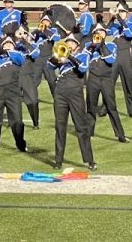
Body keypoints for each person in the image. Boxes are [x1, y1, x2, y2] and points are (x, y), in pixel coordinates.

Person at [47, 34, 96, 171]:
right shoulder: (61, 56)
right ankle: (58, 160)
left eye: (72, 43)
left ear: (77, 46)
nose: (69, 45)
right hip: (60, 93)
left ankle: (89, 160)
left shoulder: (83, 55)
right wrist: (58, 58)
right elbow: (49, 66)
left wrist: (69, 57)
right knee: (60, 127)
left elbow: (82, 69)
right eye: (67, 42)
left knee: (81, 127)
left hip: (76, 94)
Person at [0, 31, 28, 153]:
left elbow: (20, 60)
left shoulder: (17, 55)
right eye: (5, 44)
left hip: (13, 91)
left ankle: (20, 144)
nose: (7, 45)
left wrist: (9, 49)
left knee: (17, 121)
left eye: (10, 44)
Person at [86, 22, 128, 143]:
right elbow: (83, 58)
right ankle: (89, 132)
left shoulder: (111, 45)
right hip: (93, 78)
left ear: (105, 34)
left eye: (102, 32)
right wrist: (92, 47)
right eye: (97, 32)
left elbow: (111, 60)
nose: (100, 34)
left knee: (111, 107)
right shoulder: (89, 45)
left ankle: (120, 135)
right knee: (91, 107)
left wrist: (102, 45)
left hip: (106, 79)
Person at [18, 14, 50, 129]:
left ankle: (35, 122)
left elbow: (35, 54)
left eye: (24, 34)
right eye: (20, 33)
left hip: (27, 76)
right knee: (10, 100)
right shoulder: (12, 44)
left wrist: (25, 42)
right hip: (14, 76)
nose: (22, 35)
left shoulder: (32, 45)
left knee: (33, 100)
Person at [109, 0, 132, 117]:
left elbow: (129, 35)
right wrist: (112, 18)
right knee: (109, 83)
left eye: (122, 11)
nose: (120, 13)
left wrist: (120, 20)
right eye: (118, 11)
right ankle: (106, 108)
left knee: (128, 84)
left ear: (127, 13)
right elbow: (105, 30)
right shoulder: (114, 25)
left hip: (126, 55)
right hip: (115, 54)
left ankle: (131, 110)